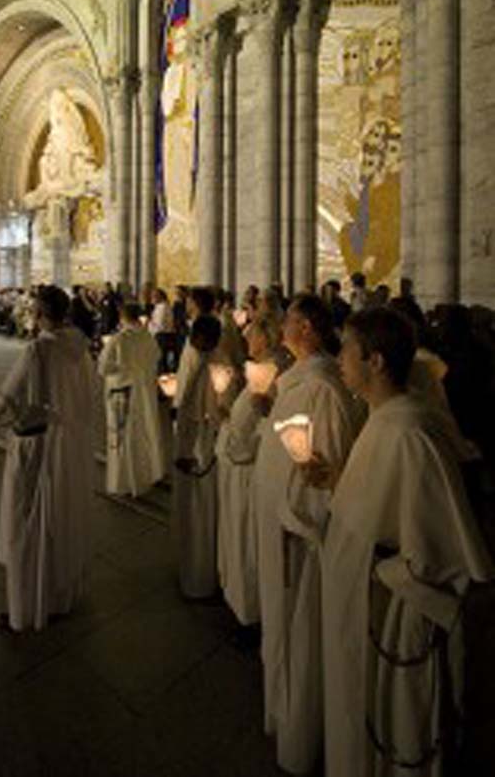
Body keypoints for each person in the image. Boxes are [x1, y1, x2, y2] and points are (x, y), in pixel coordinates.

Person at [323, 308, 494, 777]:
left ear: (375, 362)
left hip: (398, 615)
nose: (338, 361)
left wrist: (379, 565)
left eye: (346, 351)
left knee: (401, 733)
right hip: (371, 602)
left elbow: (442, 554)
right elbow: (380, 504)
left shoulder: (408, 432)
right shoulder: (382, 418)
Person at [254, 294, 360, 775]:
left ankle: (299, 739)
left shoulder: (323, 389)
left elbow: (329, 470)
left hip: (299, 538)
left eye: (290, 323)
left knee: (300, 639)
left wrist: (301, 518)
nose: (281, 331)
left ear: (311, 329)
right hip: (282, 529)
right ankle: (283, 718)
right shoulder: (301, 381)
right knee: (282, 632)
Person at [0, 285, 95, 633]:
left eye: (34, 310)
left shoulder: (38, 350)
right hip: (72, 447)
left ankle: (28, 609)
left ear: (41, 313)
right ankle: (61, 598)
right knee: (63, 519)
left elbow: (10, 401)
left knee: (29, 525)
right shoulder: (80, 347)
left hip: (39, 449)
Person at [216, 316, 281, 627]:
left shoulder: (266, 374)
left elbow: (252, 428)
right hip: (241, 466)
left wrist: (229, 422)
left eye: (251, 335)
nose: (246, 339)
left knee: (245, 540)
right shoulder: (260, 370)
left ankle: (247, 606)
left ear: (264, 340)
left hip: (246, 473)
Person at [174, 313, 230, 599]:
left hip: (200, 441)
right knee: (199, 510)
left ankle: (199, 575)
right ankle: (197, 569)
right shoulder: (217, 359)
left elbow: (186, 400)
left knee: (199, 511)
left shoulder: (204, 361)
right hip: (203, 436)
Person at [97, 302, 166, 497]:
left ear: (122, 316)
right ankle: (145, 474)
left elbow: (103, 368)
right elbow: (156, 357)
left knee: (121, 437)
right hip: (143, 393)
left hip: (121, 394)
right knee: (142, 433)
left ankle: (122, 481)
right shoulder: (147, 337)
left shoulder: (118, 339)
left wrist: (122, 367)